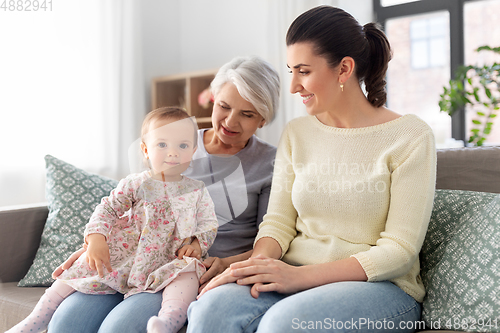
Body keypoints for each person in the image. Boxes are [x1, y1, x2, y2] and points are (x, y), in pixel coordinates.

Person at [188, 5, 437, 333]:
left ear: (344, 69)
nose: (293, 86)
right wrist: (257, 264)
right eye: (291, 70)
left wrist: (297, 277)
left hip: (381, 287)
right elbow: (277, 223)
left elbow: (399, 251)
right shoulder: (297, 133)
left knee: (283, 324)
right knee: (210, 310)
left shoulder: (410, 136)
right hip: (292, 273)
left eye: (303, 71)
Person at [47, 55, 280, 333]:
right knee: (66, 322)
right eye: (224, 106)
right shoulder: (178, 140)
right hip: (138, 261)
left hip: (187, 274)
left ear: (263, 119)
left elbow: (274, 239)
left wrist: (225, 264)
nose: (230, 121)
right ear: (213, 99)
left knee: (117, 329)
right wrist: (96, 240)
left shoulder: (271, 164)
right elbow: (129, 202)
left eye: (247, 113)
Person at [9, 107, 219, 333]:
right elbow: (107, 208)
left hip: (168, 260)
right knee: (84, 266)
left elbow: (208, 223)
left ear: (194, 150)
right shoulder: (136, 183)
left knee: (187, 274)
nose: (173, 153)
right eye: (162, 144)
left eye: (183, 146)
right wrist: (96, 237)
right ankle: (36, 319)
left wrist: (197, 244)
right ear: (145, 149)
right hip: (129, 257)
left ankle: (168, 320)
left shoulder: (196, 190)